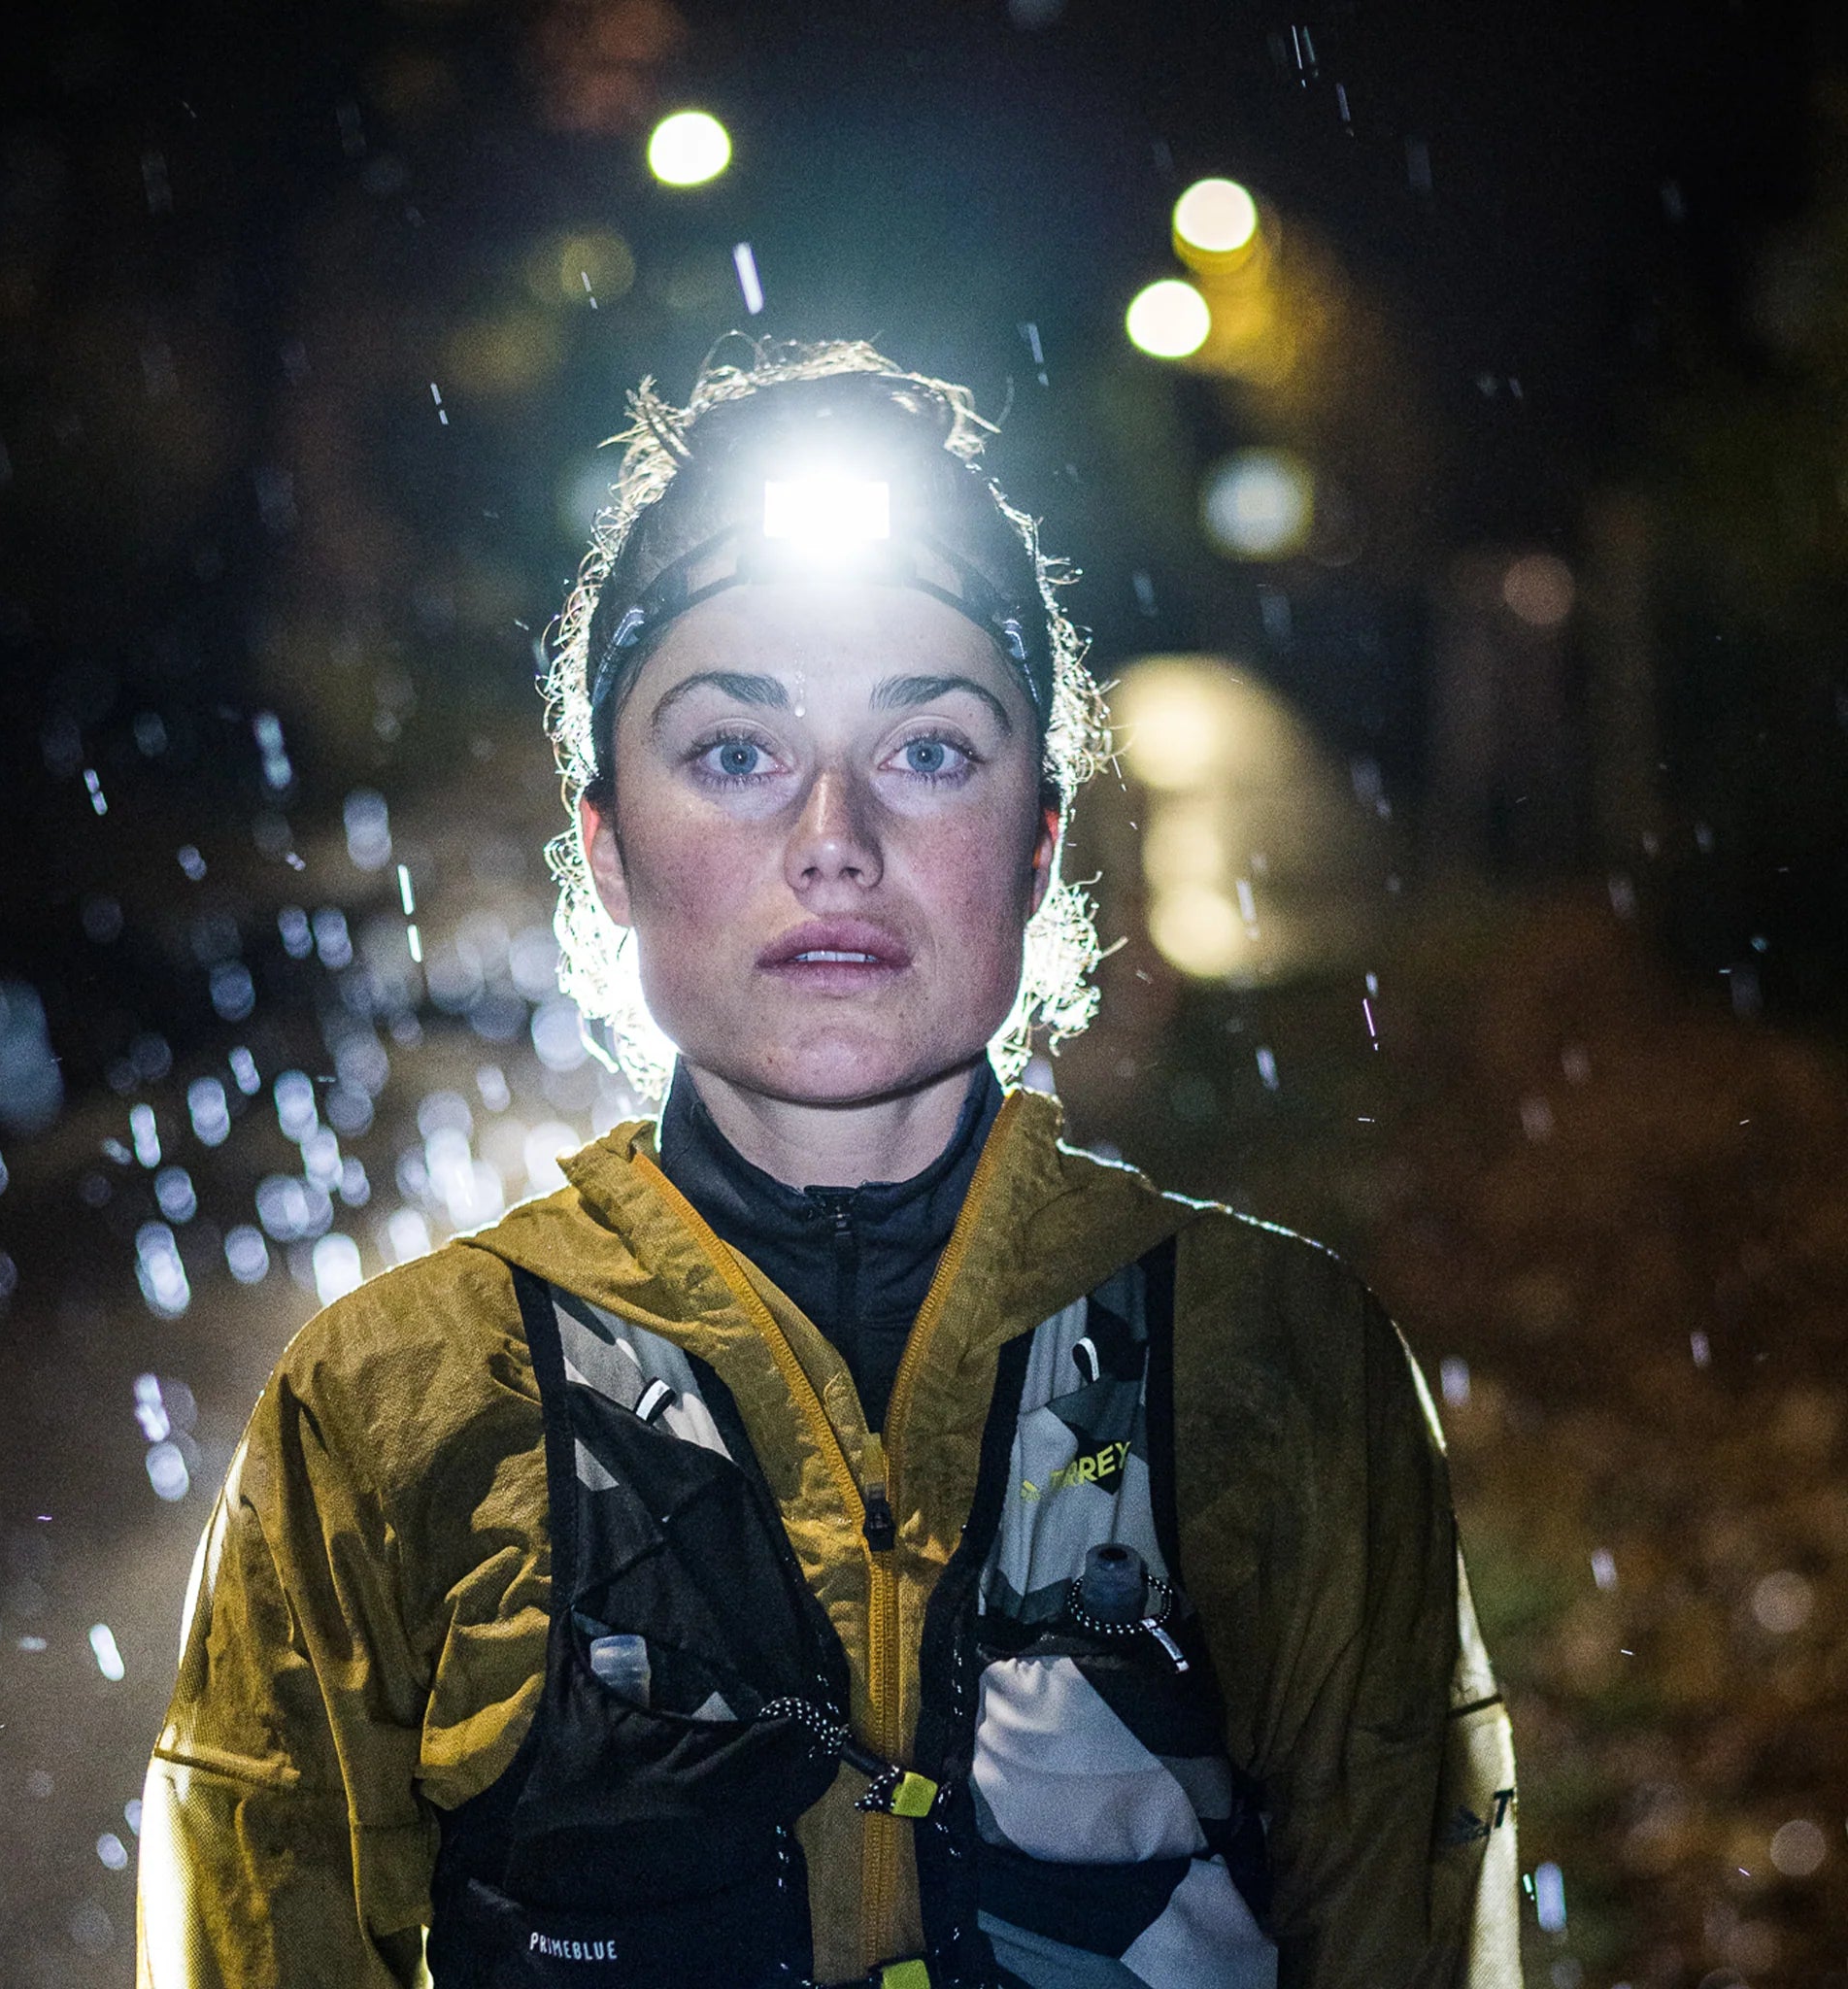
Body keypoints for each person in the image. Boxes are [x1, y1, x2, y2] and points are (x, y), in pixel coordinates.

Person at [134, 340, 1521, 1988]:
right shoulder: (384, 1410)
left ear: (1039, 840)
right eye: (735, 751)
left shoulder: (1288, 1363)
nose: (833, 838)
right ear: (608, 849)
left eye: (929, 748)